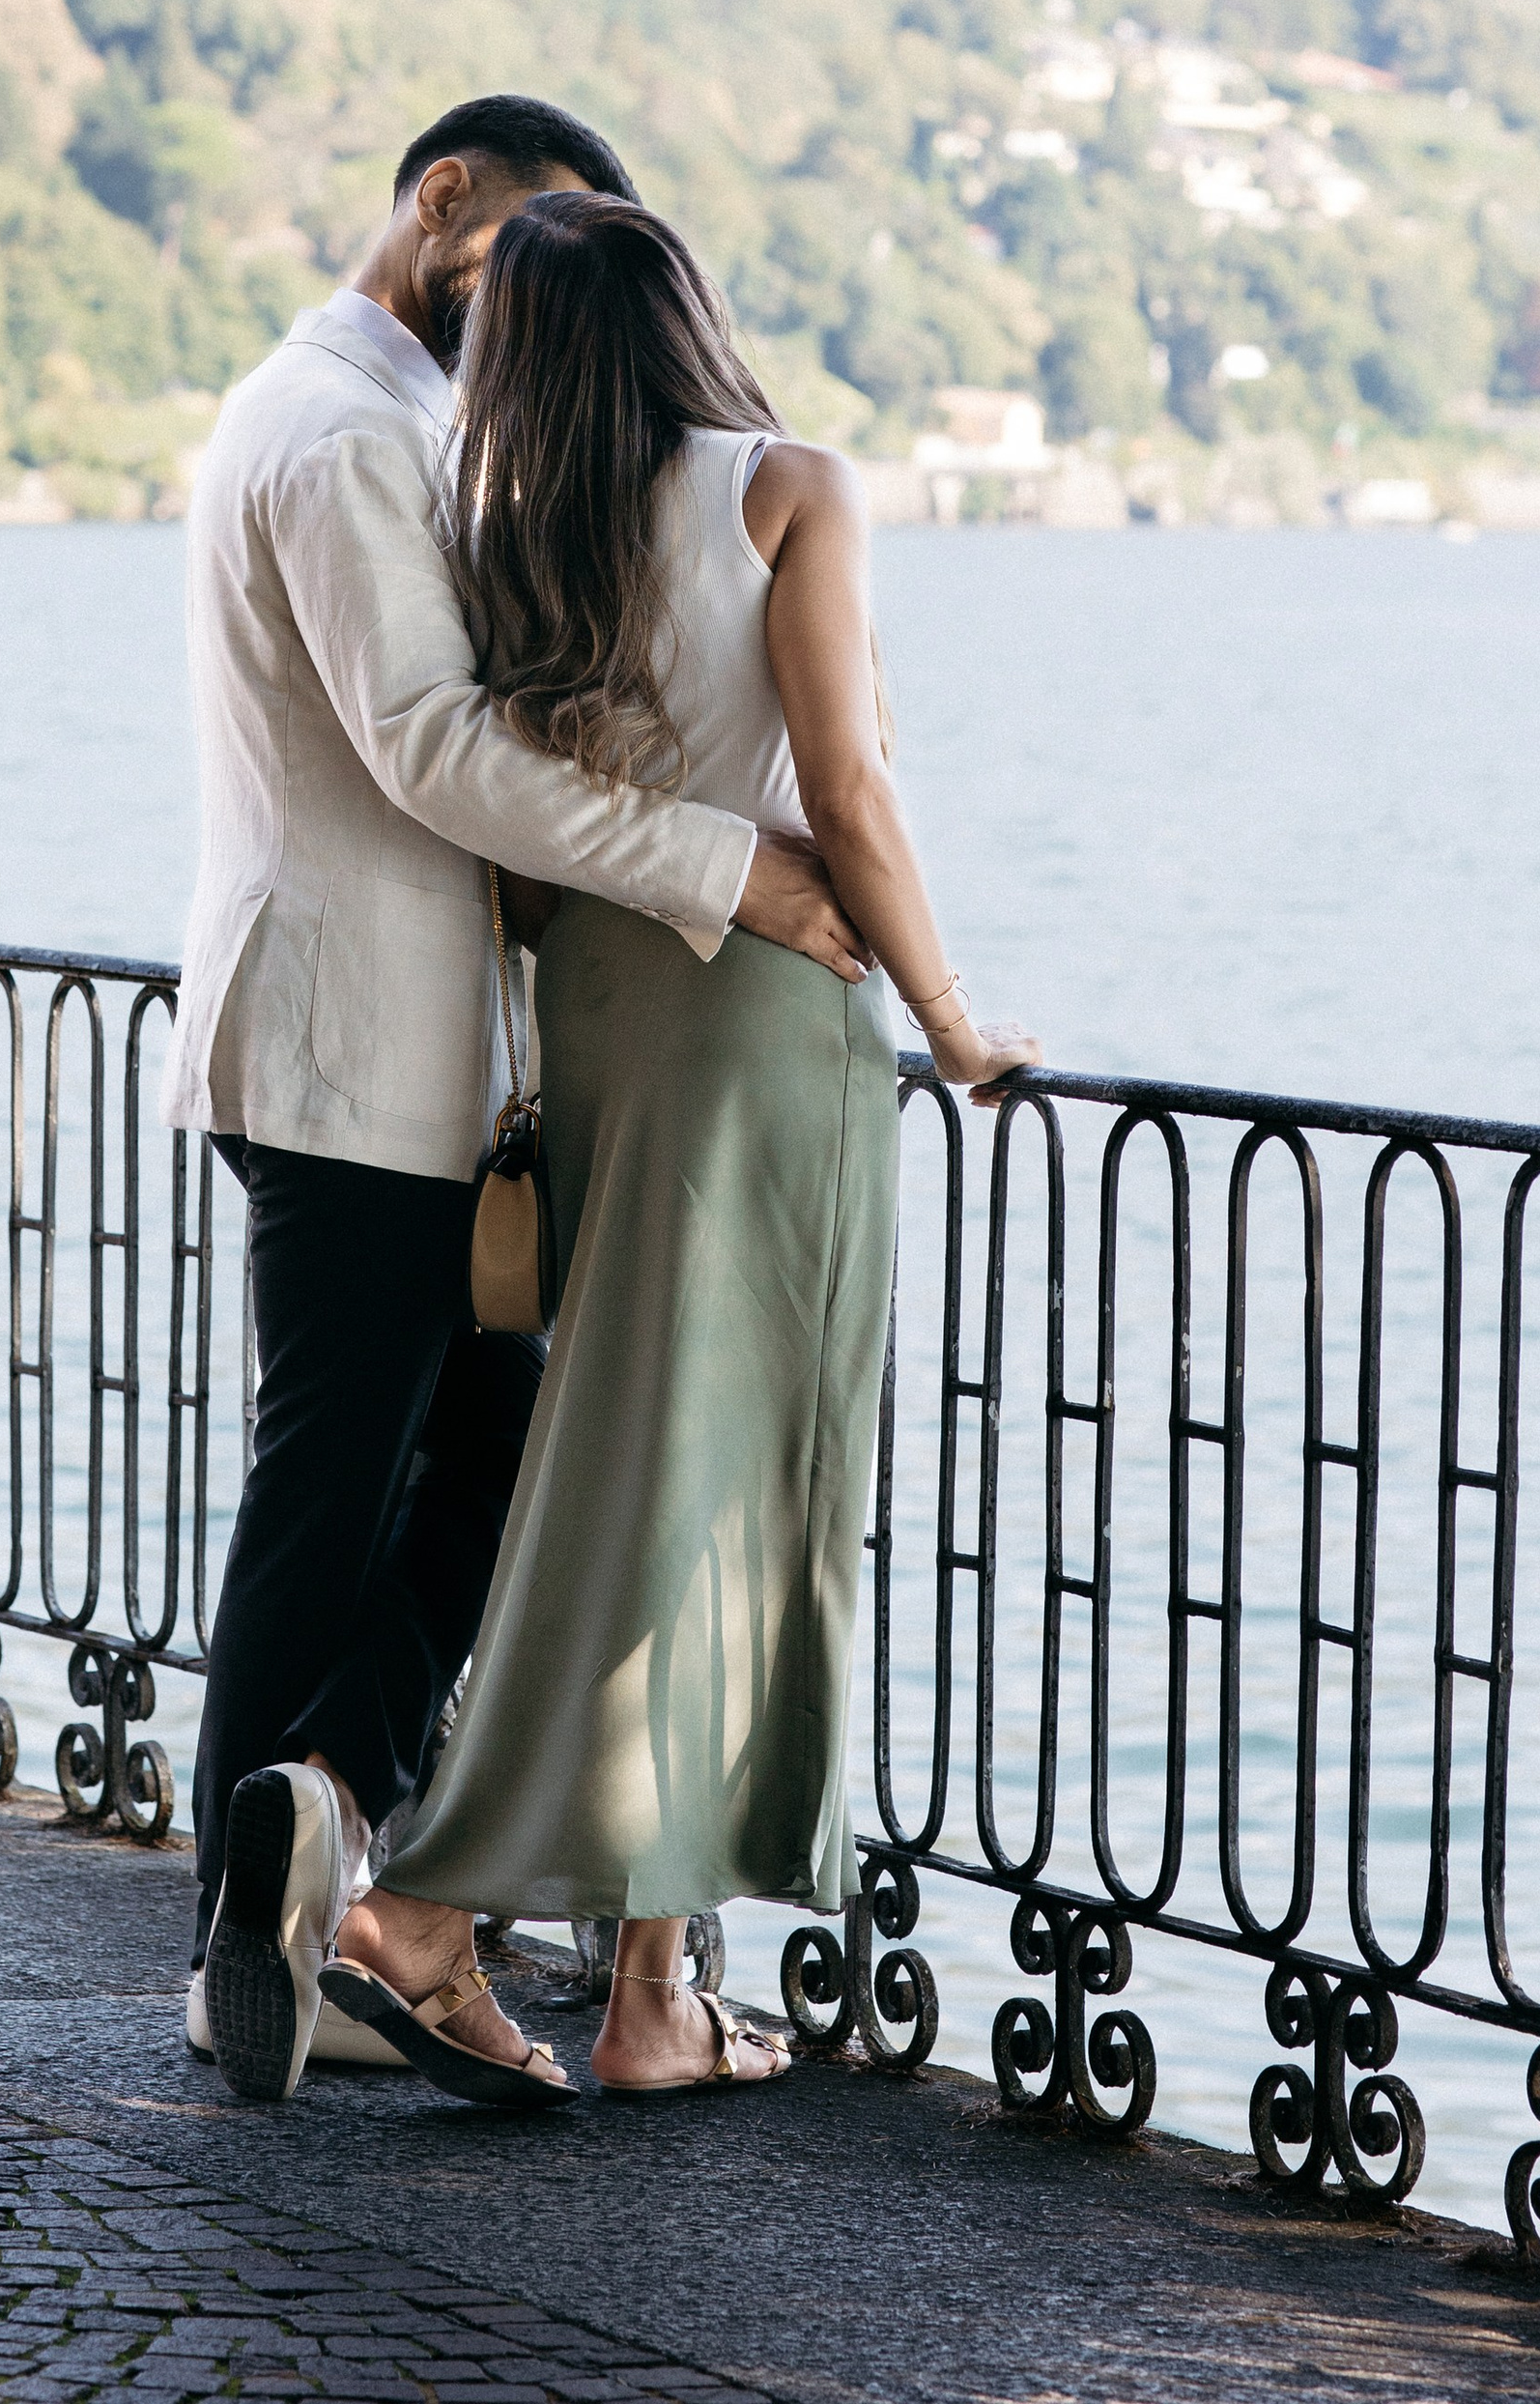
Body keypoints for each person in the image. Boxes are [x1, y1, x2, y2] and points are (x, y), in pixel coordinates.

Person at [170, 97, 869, 2106]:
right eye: (517, 252)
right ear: (439, 199)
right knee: (334, 1492)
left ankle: (335, 1837)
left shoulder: (375, 426)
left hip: (400, 1054)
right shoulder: (339, 432)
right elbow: (426, 750)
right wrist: (723, 861)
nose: (531, 309)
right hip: (346, 1052)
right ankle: (253, 1935)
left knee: (469, 1456)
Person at [323, 192, 1040, 2101]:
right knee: (705, 1475)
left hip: (608, 1000)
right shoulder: (785, 485)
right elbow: (850, 788)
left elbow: (500, 819)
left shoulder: (504, 526)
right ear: (686, 314)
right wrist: (954, 1022)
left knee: (657, 1443)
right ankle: (429, 1897)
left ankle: (649, 1995)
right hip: (765, 1001)